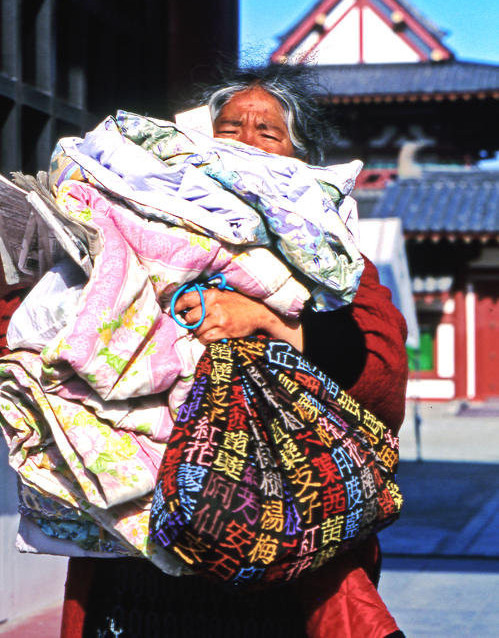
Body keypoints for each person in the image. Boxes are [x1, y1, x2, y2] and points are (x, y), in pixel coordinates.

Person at [2, 64, 408, 638]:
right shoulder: (131, 221)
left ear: (301, 159)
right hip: (136, 563)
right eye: (229, 128)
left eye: (268, 132)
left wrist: (267, 319)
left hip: (273, 546)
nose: (245, 141)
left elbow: (380, 375)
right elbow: (28, 334)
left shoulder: (331, 259)